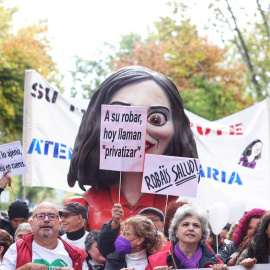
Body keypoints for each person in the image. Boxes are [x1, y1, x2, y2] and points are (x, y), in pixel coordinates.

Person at [67, 66, 198, 230]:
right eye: (124, 115)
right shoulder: (83, 206)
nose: (138, 129)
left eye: (156, 118)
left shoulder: (180, 211)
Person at [0, 201, 88, 270]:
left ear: (59, 223)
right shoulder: (16, 249)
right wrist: (26, 268)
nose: (46, 219)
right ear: (31, 224)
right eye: (40, 216)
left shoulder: (77, 254)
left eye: (52, 216)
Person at [146, 204, 226, 269]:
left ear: (202, 233)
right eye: (185, 224)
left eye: (196, 225)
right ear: (175, 231)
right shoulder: (155, 261)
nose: (191, 228)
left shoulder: (215, 263)